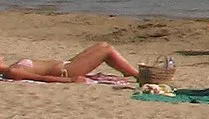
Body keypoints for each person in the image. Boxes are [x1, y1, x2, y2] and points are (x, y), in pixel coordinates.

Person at [3, 43, 139, 83]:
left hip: (67, 64)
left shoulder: (12, 68)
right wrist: (71, 80)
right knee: (106, 50)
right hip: (67, 71)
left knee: (103, 45)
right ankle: (138, 76)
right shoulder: (12, 71)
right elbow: (41, 78)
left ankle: (130, 72)